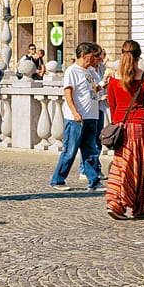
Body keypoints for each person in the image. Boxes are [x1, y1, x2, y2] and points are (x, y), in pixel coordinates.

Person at [105, 39, 144, 220]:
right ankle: (141, 208)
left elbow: (112, 106)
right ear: (139, 55)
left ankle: (115, 202)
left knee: (122, 165)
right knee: (142, 167)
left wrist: (118, 122)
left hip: (121, 126)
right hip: (141, 126)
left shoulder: (113, 79)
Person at [50, 42, 103, 190]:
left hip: (91, 115)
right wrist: (74, 112)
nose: (94, 59)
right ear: (84, 55)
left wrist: (104, 84)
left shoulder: (91, 71)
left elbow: (93, 90)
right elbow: (68, 92)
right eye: (92, 55)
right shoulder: (72, 71)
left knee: (90, 150)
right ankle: (58, 179)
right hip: (76, 118)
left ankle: (94, 181)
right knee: (70, 150)